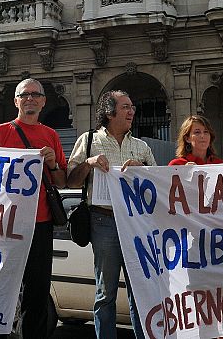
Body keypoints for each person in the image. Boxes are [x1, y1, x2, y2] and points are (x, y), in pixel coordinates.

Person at [0, 78, 67, 339]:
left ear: (43, 101)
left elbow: (62, 182)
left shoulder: (51, 135)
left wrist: (52, 165)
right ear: (16, 101)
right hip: (6, 224)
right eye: (24, 94)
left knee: (37, 291)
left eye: (35, 94)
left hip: (39, 224)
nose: (29, 98)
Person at [67, 90, 155, 339]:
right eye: (126, 107)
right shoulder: (88, 140)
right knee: (105, 293)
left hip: (136, 224)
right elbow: (72, 182)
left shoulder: (141, 146)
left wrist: (144, 170)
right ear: (109, 111)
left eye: (133, 107)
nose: (132, 112)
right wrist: (89, 163)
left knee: (141, 290)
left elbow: (158, 187)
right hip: (102, 221)